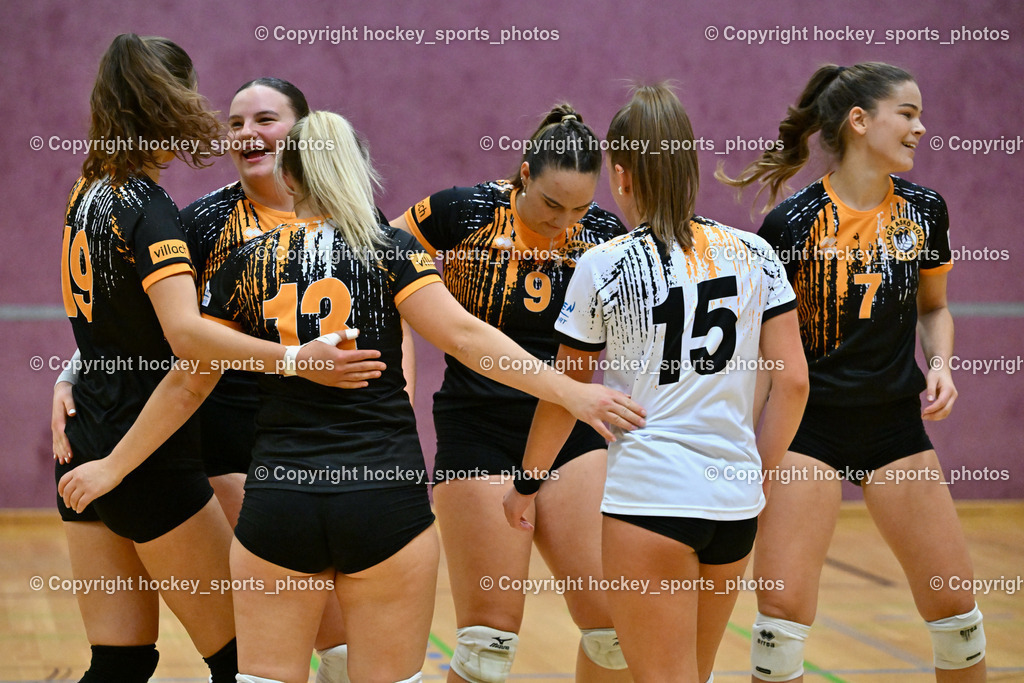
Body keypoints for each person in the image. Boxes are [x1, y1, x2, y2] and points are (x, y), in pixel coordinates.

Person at [59, 109, 646, 683]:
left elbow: (187, 379)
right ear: (358, 171)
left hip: (281, 502)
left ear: (288, 178)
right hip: (382, 500)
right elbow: (468, 338)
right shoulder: (392, 251)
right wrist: (573, 393)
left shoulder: (247, 263)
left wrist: (112, 465)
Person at [54, 35, 373, 683]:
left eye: (265, 119)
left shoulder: (357, 228)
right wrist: (70, 370)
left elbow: (116, 313)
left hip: (327, 450)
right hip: (202, 449)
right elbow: (171, 334)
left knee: (334, 650)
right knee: (258, 659)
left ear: (303, 133)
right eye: (232, 121)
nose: (241, 132)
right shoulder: (186, 220)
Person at [503, 83, 808, 683]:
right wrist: (753, 470)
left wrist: (527, 483)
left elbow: (566, 392)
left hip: (649, 502)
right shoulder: (754, 253)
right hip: (734, 506)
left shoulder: (604, 263)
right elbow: (793, 382)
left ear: (619, 175)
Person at [718, 62, 986, 682]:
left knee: (958, 617)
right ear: (861, 122)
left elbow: (935, 307)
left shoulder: (925, 210)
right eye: (909, 114)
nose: (922, 127)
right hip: (806, 431)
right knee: (779, 623)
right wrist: (746, 451)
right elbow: (763, 351)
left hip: (894, 427)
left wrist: (941, 366)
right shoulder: (791, 226)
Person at [392, 105, 633, 682]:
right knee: (487, 648)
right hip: (478, 429)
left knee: (615, 635)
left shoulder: (604, 236)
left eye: (578, 207)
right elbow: (381, 258)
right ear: (524, 174)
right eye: (552, 204)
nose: (564, 222)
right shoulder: (463, 210)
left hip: (570, 424)